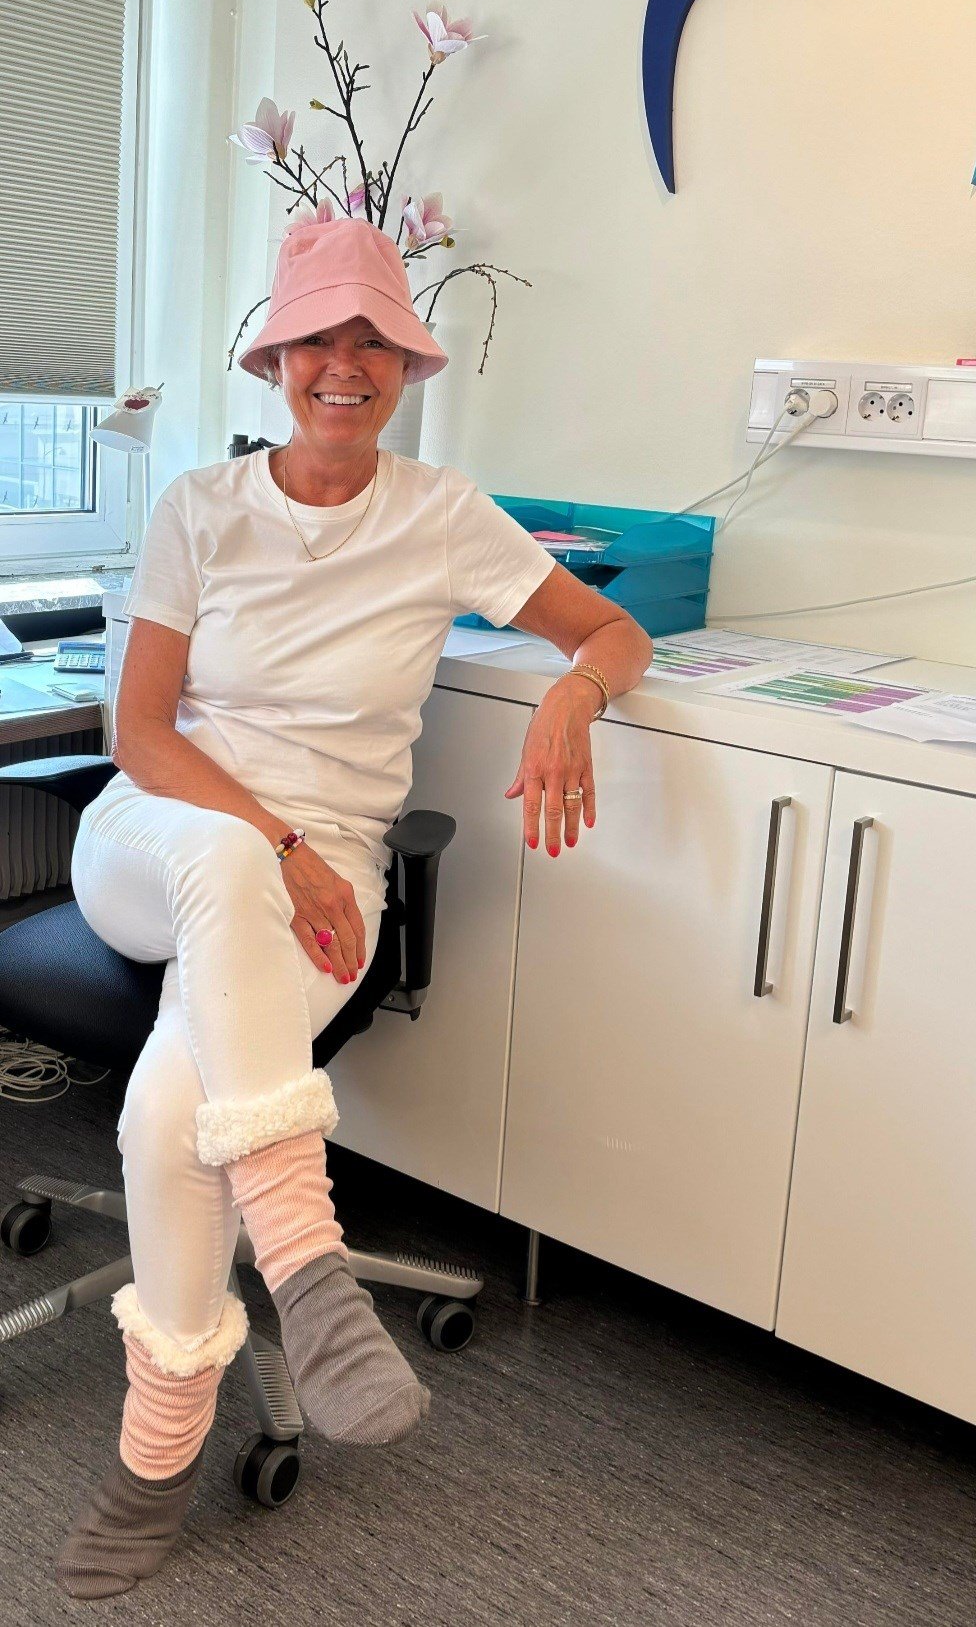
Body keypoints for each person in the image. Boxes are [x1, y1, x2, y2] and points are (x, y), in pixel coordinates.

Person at [54, 213, 653, 1597]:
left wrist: (574, 692)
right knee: (223, 857)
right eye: (316, 338)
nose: (345, 363)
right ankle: (309, 1265)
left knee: (166, 1115)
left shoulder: (443, 515)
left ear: (407, 368)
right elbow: (141, 734)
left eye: (374, 340)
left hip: (327, 874)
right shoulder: (199, 507)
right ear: (274, 361)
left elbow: (613, 631)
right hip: (162, 833)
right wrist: (275, 841)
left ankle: (154, 1460)